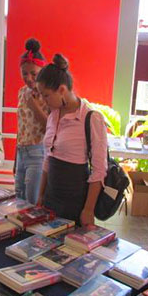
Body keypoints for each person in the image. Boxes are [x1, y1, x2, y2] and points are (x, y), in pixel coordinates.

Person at [36, 53, 108, 226]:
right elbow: (48, 158)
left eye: (46, 95)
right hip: (50, 197)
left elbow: (99, 170)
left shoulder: (91, 118)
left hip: (75, 200)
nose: (43, 101)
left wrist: (88, 210)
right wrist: (40, 195)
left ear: (62, 90)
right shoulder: (53, 115)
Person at [15, 38, 50, 204]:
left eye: (34, 74)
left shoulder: (48, 95)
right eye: (24, 73)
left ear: (42, 72)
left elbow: (51, 128)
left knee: (32, 202)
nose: (28, 78)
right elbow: (20, 127)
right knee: (18, 198)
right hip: (21, 152)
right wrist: (16, 158)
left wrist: (34, 105)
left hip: (38, 153)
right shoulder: (22, 92)